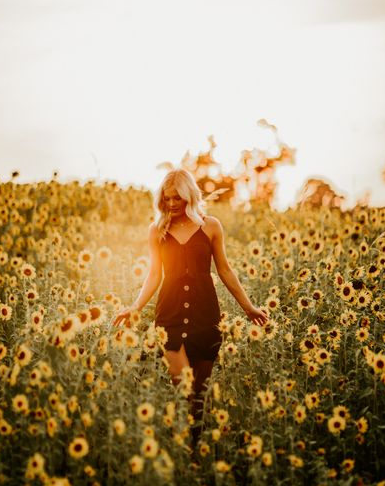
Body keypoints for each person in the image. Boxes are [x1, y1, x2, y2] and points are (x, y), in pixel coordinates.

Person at [112, 168, 268, 449]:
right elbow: (154, 274)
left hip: (205, 315)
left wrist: (249, 307)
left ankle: (193, 453)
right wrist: (135, 306)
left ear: (189, 197)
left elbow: (225, 270)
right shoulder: (157, 230)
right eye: (167, 199)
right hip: (169, 317)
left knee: (199, 396)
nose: (172, 204)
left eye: (177, 199)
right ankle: (182, 447)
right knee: (184, 390)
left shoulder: (211, 226)